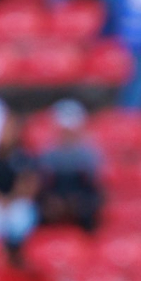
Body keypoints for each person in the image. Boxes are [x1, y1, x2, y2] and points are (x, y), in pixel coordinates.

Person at [38, 99, 103, 232]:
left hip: (81, 197)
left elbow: (94, 184)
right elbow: (44, 182)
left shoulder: (90, 154)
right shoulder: (47, 154)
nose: (67, 134)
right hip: (55, 195)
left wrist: (77, 201)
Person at [0, 103, 40, 249]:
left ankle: (17, 252)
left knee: (20, 215)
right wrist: (1, 201)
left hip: (17, 202)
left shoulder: (24, 155)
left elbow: (29, 185)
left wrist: (10, 201)